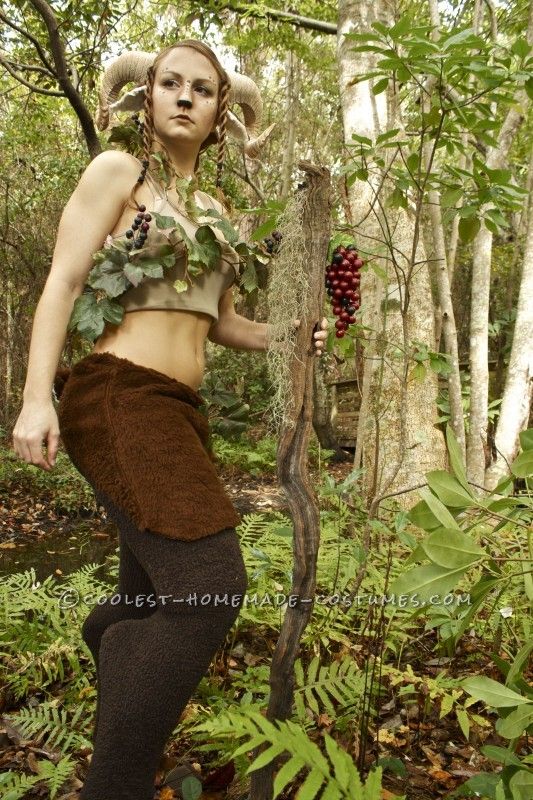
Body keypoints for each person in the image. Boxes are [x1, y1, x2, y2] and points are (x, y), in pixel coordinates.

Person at [11, 39, 328, 800]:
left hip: (179, 413)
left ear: (221, 111)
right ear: (147, 97)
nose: (185, 96)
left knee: (151, 598)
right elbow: (61, 281)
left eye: (203, 89)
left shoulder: (215, 213)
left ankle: (109, 638)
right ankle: (113, 786)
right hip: (119, 396)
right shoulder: (120, 174)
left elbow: (223, 324)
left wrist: (288, 330)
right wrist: (33, 397)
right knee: (210, 586)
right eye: (170, 84)